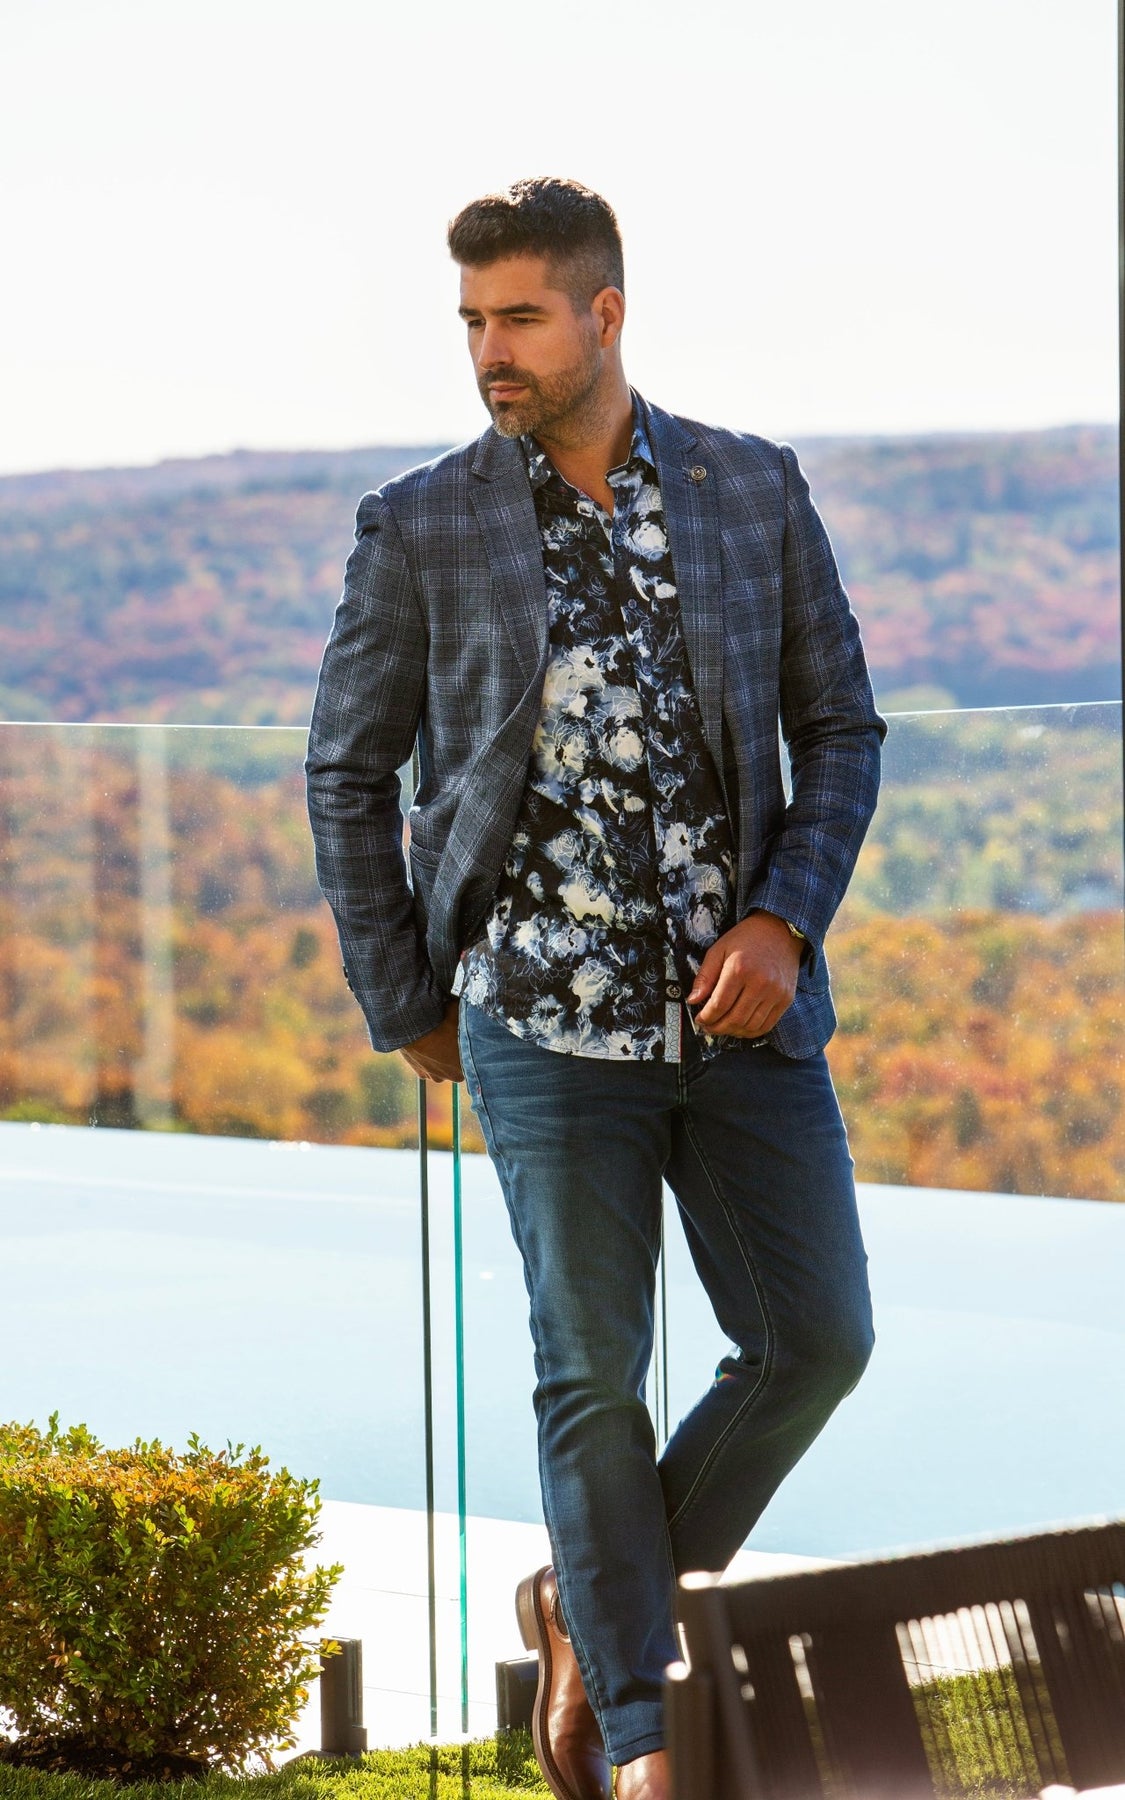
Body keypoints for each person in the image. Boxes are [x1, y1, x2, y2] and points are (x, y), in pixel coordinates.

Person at [306, 176, 885, 1800]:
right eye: (470, 322)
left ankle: (588, 1600)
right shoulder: (421, 524)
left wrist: (782, 922)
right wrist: (405, 999)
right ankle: (641, 1734)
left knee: (814, 1341)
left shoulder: (747, 488)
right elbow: (346, 772)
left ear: (604, 314)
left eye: (519, 317)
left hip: (742, 1015)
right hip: (538, 1027)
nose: (489, 350)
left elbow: (839, 729)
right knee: (587, 1374)